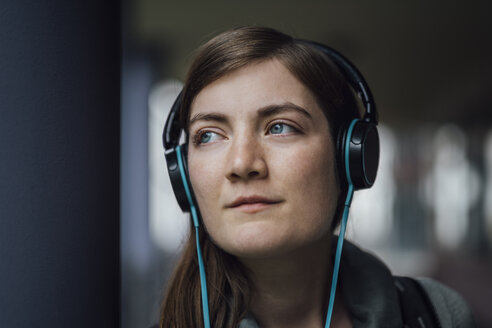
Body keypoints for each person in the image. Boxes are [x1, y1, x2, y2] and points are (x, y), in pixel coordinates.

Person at [159, 26, 474, 328]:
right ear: (184, 174)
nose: (242, 164)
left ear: (348, 158)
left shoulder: (438, 315)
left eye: (280, 127)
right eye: (209, 135)